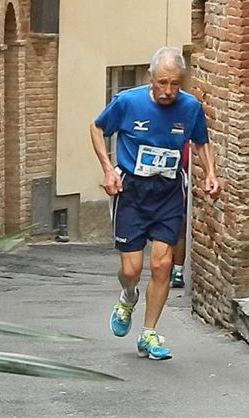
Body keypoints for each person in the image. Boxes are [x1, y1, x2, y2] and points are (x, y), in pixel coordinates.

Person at [89, 47, 220, 360]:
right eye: (163, 83)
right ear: (151, 78)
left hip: (168, 191)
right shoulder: (127, 102)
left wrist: (211, 174)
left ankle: (149, 333)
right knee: (131, 269)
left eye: (175, 84)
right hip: (132, 191)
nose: (168, 91)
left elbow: (201, 142)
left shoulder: (190, 107)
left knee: (162, 264)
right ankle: (127, 296)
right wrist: (108, 169)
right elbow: (97, 128)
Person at [170, 141, 189, 288]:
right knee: (177, 230)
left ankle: (176, 269)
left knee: (178, 228)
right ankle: (175, 269)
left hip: (179, 183)